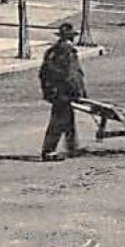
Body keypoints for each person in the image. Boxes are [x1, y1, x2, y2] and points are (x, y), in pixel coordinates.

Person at [39, 23, 88, 160]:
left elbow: (44, 73)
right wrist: (79, 93)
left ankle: (72, 147)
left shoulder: (53, 50)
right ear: (71, 38)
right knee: (58, 121)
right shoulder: (66, 51)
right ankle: (48, 151)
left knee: (68, 119)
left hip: (56, 91)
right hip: (63, 92)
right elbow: (71, 75)